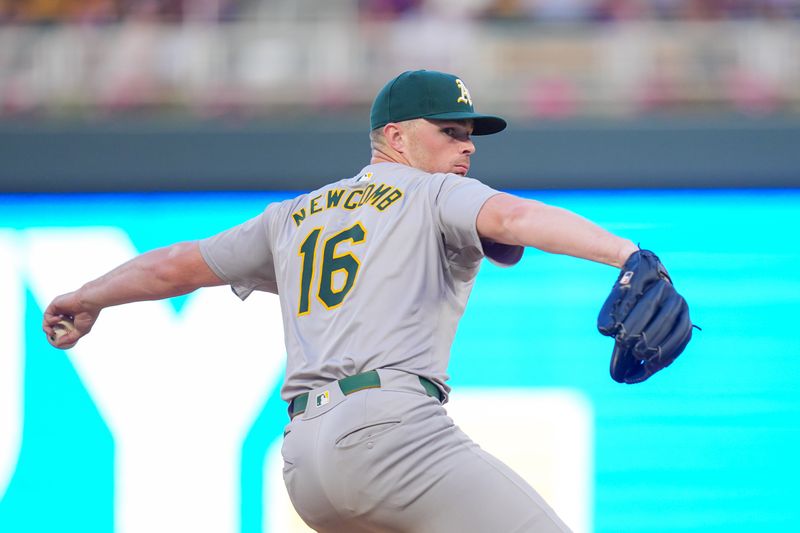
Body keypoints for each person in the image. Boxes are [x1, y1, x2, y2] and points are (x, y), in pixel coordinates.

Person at [44, 70, 640, 533]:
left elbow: (178, 264)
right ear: (395, 137)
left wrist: (88, 296)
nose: (468, 148)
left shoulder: (293, 216)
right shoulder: (434, 193)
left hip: (306, 460)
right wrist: (626, 255)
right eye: (450, 132)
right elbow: (512, 215)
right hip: (391, 431)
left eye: (469, 136)